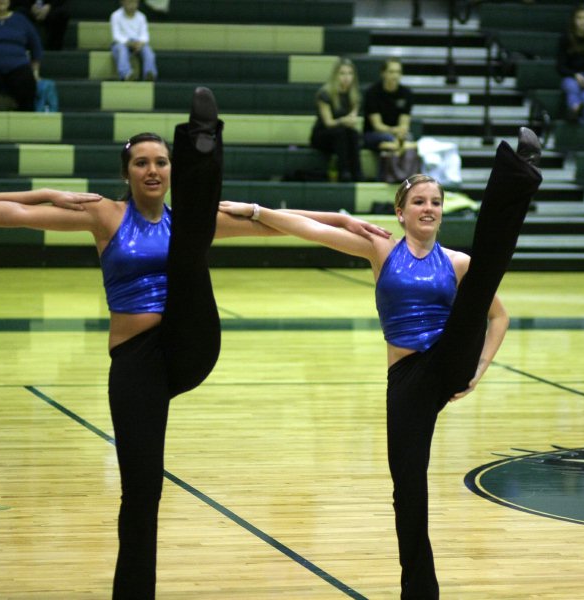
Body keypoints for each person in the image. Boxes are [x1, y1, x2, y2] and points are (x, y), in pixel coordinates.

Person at [0, 87, 388, 599]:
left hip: (191, 341)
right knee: (141, 491)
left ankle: (203, 141)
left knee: (190, 246)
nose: (152, 170)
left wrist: (341, 220)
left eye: (162, 162)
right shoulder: (103, 216)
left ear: (171, 170)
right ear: (126, 173)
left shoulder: (192, 220)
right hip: (137, 361)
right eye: (142, 163)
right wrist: (49, 195)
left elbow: (280, 226)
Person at [219, 128, 543, 599]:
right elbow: (311, 230)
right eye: (419, 202)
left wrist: (479, 370)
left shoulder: (456, 263)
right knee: (407, 488)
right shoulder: (380, 249)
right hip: (407, 377)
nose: (428, 207)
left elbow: (500, 315)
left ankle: (521, 168)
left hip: (450, 355)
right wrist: (256, 211)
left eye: (435, 201)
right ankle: (419, 590)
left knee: (487, 263)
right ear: (401, 211)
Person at [310, 57, 363, 182]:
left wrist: (349, 121)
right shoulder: (325, 94)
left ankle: (357, 173)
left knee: (353, 134)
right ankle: (344, 172)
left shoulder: (354, 95)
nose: (346, 77)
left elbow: (353, 118)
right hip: (322, 135)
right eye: (342, 73)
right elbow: (328, 122)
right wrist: (344, 120)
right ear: (336, 75)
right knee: (341, 133)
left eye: (350, 73)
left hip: (342, 134)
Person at [363, 58, 415, 167]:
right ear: (383, 73)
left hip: (396, 134)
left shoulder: (406, 93)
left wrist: (401, 132)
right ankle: (387, 177)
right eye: (391, 72)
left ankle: (408, 177)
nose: (395, 76)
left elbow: (404, 123)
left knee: (408, 138)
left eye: (398, 72)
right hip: (373, 134)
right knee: (390, 140)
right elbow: (377, 126)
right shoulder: (372, 93)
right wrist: (395, 132)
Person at [110, 0, 157, 81]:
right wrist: (129, 43)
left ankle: (150, 73)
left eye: (134, 3)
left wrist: (140, 43)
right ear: (123, 3)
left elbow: (145, 35)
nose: (132, 5)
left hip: (138, 43)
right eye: (129, 3)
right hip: (121, 43)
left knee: (148, 52)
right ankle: (126, 74)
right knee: (122, 51)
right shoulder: (115, 15)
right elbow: (116, 35)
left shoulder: (141, 17)